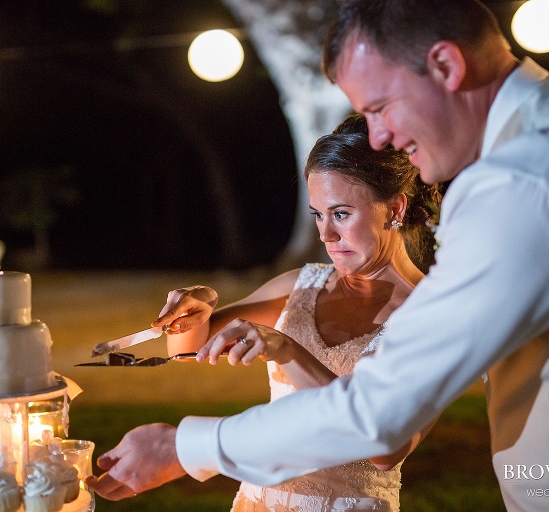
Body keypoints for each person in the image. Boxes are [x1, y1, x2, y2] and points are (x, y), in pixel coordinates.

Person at [85, 1, 549, 510]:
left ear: (445, 64)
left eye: (380, 108)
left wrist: (186, 448)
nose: (381, 136)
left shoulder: (527, 176)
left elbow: (382, 415)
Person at [154, 113, 439, 511]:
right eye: (318, 215)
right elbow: (185, 347)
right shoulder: (302, 286)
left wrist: (288, 351)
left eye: (341, 214)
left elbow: (387, 449)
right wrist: (197, 304)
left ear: (395, 208)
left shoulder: (433, 314)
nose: (325, 235)